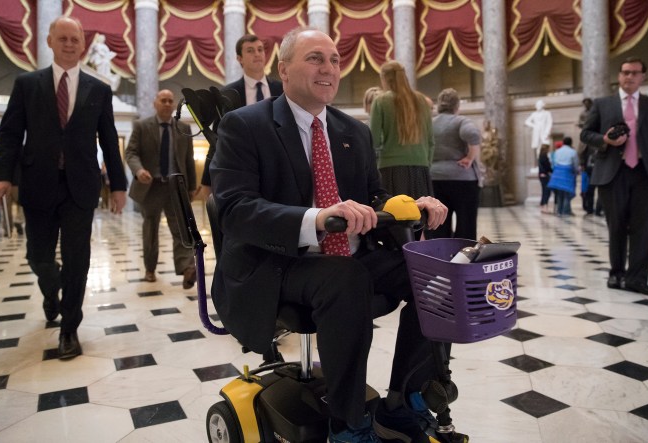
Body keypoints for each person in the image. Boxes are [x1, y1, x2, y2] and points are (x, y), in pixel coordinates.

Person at [210, 27, 448, 442]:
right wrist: (317, 218)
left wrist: (411, 205)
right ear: (283, 70)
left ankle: (403, 399)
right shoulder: (244, 125)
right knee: (347, 278)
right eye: (315, 58)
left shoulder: (353, 132)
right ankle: (348, 421)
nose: (329, 68)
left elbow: (375, 196)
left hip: (349, 256)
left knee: (438, 278)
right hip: (277, 263)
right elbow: (234, 209)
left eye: (335, 59)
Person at [0, 16, 127, 359]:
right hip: (37, 184)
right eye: (62, 38)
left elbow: (110, 141)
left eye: (75, 39)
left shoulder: (99, 89)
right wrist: (2, 175)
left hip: (81, 188)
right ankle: (52, 292)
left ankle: (69, 329)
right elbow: (9, 134)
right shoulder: (27, 84)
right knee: (39, 257)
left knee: (78, 260)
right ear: (49, 41)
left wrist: (118, 186)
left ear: (83, 45)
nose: (69, 44)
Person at [580, 57, 648, 296]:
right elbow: (585, 134)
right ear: (619, 76)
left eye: (634, 73)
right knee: (617, 227)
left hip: (647, 174)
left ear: (643, 76)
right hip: (613, 173)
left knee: (646, 229)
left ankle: (637, 279)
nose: (629, 77)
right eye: (624, 72)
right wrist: (605, 140)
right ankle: (616, 273)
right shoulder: (603, 104)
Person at [197, 34, 285, 199]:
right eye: (250, 51)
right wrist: (207, 180)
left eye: (260, 50)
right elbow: (217, 139)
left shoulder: (283, 90)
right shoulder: (227, 94)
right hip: (243, 167)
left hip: (280, 166)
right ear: (239, 58)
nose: (257, 54)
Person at [125, 89, 197, 287]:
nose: (167, 104)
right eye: (163, 100)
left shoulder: (183, 128)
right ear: (155, 103)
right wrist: (139, 171)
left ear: (173, 105)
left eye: (170, 101)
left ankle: (187, 268)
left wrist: (191, 187)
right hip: (151, 187)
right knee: (151, 230)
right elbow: (131, 153)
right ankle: (150, 268)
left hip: (175, 187)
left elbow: (189, 160)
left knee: (181, 228)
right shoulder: (141, 126)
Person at [370, 60, 434, 199]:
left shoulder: (381, 101)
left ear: (384, 78)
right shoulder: (422, 100)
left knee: (394, 216)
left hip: (391, 168)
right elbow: (430, 140)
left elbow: (373, 140)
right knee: (421, 216)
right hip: (420, 169)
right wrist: (425, 162)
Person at [426, 88, 482, 240]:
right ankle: (462, 257)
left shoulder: (429, 123)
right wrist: (470, 157)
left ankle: (440, 258)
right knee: (466, 223)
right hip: (463, 179)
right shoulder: (461, 121)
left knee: (438, 222)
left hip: (434, 178)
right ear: (457, 106)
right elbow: (472, 134)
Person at [547, 137, 579, 216]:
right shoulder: (573, 152)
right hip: (567, 173)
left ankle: (559, 211)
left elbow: (553, 163)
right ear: (571, 143)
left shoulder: (557, 151)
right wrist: (576, 171)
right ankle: (565, 211)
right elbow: (575, 164)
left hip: (557, 173)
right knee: (566, 193)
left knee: (559, 193)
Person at [525, 99, 553, 167]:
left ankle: (548, 165)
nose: (537, 106)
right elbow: (527, 121)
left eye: (539, 105)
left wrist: (547, 132)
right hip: (537, 132)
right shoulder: (534, 114)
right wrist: (534, 126)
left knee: (546, 148)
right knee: (538, 149)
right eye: (537, 105)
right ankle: (540, 166)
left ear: (542, 105)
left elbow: (549, 123)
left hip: (544, 132)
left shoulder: (547, 113)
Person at [537, 143, 552, 213]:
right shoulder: (544, 156)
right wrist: (551, 170)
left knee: (544, 191)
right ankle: (544, 205)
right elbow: (547, 166)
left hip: (542, 174)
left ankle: (542, 204)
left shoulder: (541, 156)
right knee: (546, 191)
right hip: (544, 175)